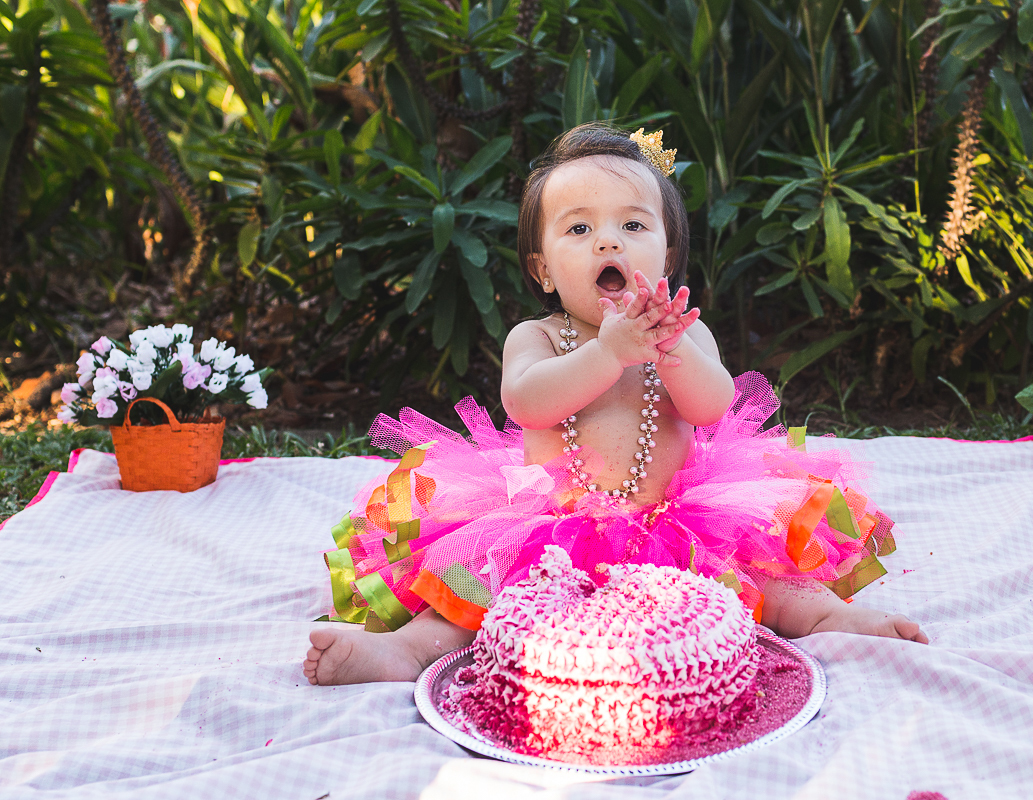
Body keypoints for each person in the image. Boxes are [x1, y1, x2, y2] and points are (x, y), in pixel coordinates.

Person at [304, 124, 927, 686]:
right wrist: (609, 352)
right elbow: (526, 402)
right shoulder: (539, 336)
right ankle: (407, 652)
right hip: (550, 524)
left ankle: (832, 620)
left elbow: (714, 407)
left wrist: (669, 352)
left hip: (681, 520)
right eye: (579, 228)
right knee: (476, 585)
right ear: (543, 269)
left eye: (633, 225)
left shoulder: (685, 332)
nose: (609, 241)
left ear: (667, 255)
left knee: (771, 576)